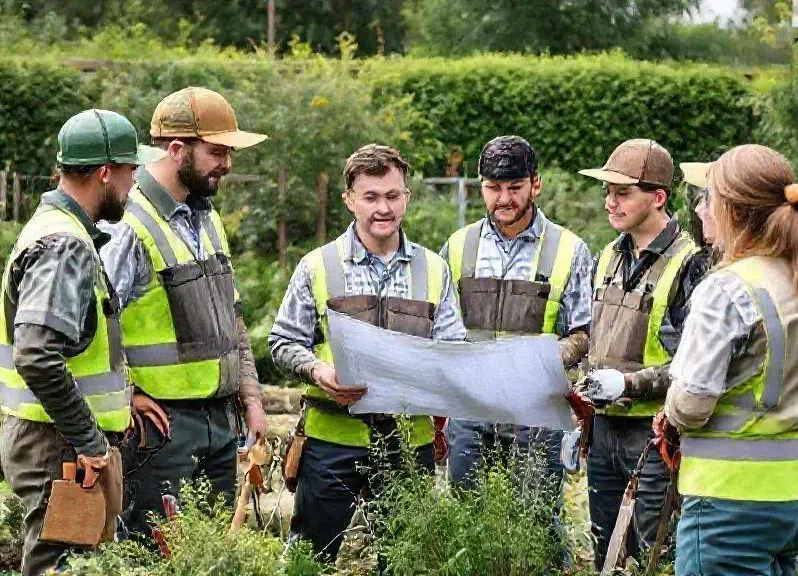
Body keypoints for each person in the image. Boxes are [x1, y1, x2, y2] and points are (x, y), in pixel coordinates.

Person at [268, 144, 467, 562]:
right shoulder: (318, 266)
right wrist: (319, 370)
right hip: (330, 439)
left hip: (407, 445)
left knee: (404, 561)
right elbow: (283, 342)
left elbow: (453, 350)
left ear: (407, 197)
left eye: (393, 196)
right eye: (371, 197)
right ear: (349, 200)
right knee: (310, 559)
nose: (383, 208)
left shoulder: (434, 269)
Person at [661, 144, 798, 576]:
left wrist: (668, 409)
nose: (700, 208)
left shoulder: (726, 288)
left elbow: (691, 406)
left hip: (731, 501)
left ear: (731, 209)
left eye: (706, 197)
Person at [0, 109, 164, 575]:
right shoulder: (64, 243)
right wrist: (90, 440)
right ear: (106, 173)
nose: (134, 184)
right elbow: (36, 353)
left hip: (58, 441)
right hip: (60, 447)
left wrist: (120, 401)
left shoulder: (63, 232)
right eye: (131, 171)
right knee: (62, 567)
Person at [98, 87, 268, 537]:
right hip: (161, 431)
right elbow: (92, 324)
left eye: (228, 152)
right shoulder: (126, 224)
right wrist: (125, 393)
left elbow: (233, 321)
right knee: (154, 554)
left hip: (219, 422)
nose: (227, 164)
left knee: (207, 553)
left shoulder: (206, 217)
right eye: (216, 152)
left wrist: (251, 399)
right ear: (177, 150)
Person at [575, 139, 709, 567]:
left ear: (658, 197)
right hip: (603, 433)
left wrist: (629, 384)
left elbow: (697, 365)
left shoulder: (690, 264)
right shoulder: (608, 256)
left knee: (655, 553)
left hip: (654, 437)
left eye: (622, 192)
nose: (610, 202)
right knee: (605, 554)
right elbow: (594, 342)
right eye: (607, 192)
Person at [441, 136, 591, 509]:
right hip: (469, 411)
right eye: (493, 188)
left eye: (514, 188)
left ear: (535, 184)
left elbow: (585, 331)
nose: (503, 199)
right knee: (467, 516)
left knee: (537, 519)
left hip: (536, 411)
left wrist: (544, 360)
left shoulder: (569, 250)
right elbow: (440, 327)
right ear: (480, 186)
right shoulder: (458, 246)